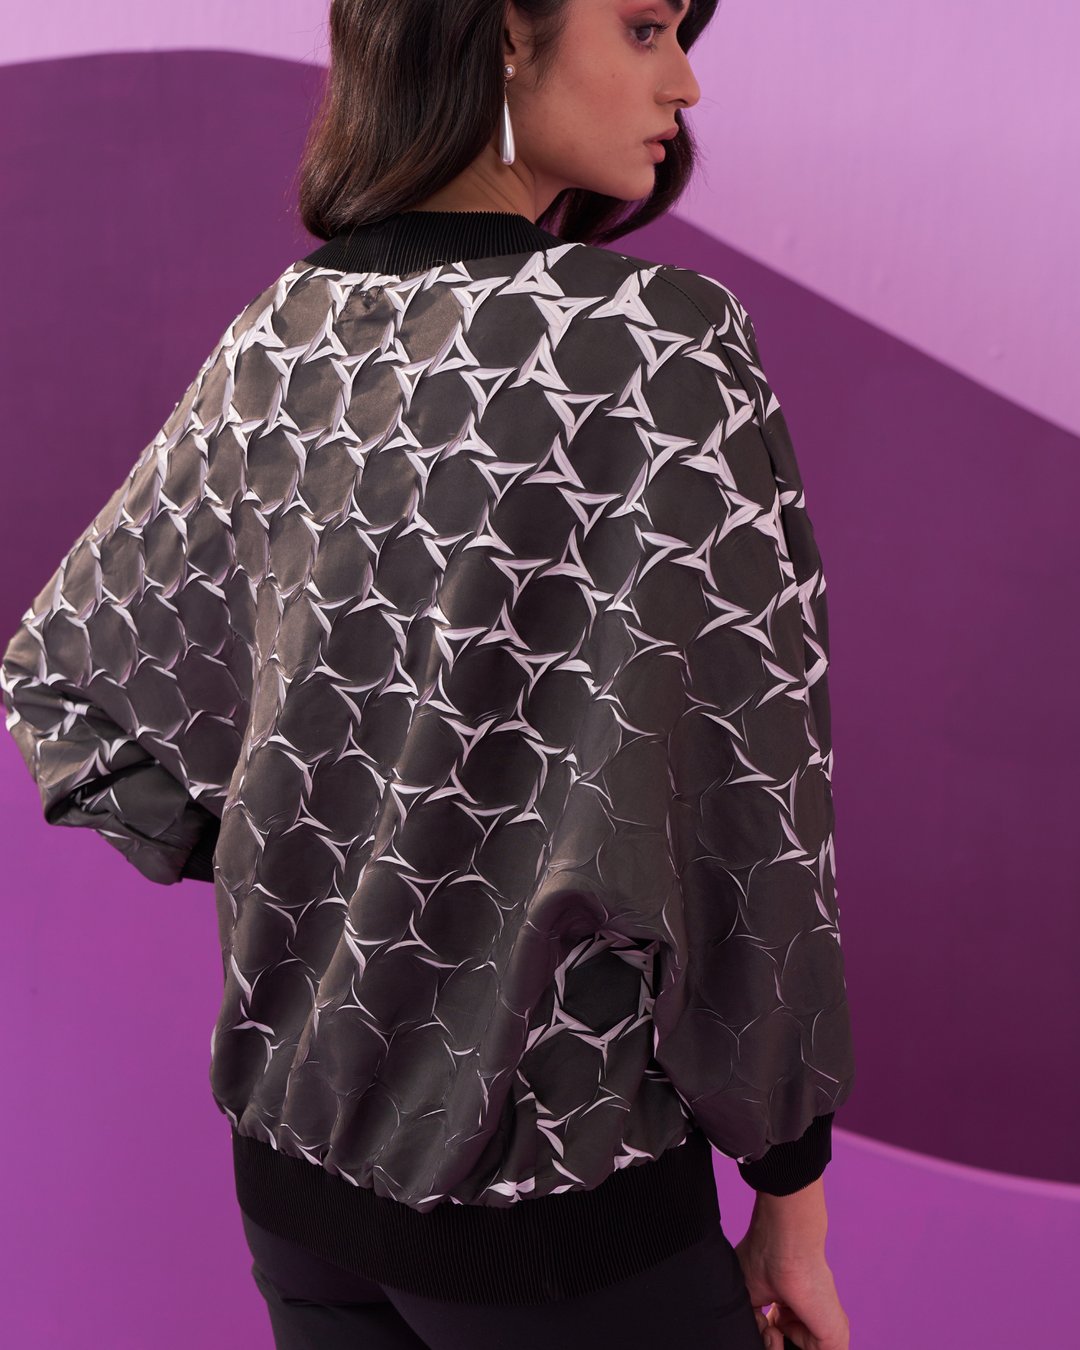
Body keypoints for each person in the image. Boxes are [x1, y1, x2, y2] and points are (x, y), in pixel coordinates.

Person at [0, 1, 856, 1346]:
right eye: (643, 27)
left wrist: (320, 859)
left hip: (296, 1176)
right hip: (553, 1198)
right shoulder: (655, 348)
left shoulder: (284, 336)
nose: (686, 83)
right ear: (505, 29)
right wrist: (790, 1185)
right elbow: (754, 805)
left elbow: (68, 676)